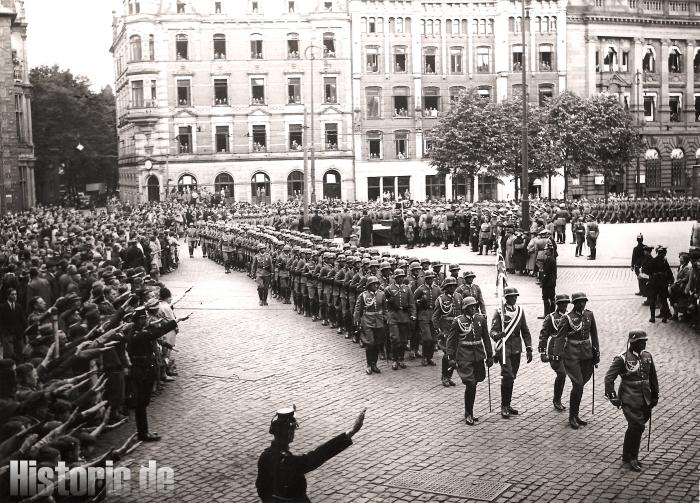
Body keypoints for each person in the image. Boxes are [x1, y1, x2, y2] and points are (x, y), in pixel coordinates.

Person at [256, 407, 366, 502]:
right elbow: (316, 456)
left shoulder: (264, 456)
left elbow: (261, 488)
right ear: (289, 433)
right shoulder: (287, 460)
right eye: (293, 429)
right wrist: (351, 432)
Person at [604, 330, 658, 472]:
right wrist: (612, 396)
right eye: (641, 341)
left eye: (645, 341)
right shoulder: (622, 359)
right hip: (629, 398)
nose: (644, 344)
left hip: (645, 398)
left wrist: (655, 395)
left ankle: (626, 454)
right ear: (633, 343)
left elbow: (653, 377)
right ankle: (633, 457)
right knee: (638, 426)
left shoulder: (647, 356)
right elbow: (609, 377)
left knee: (634, 427)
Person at [554, 291, 600, 429]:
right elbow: (560, 337)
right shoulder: (567, 318)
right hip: (572, 355)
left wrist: (596, 352)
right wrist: (557, 355)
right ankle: (572, 416)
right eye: (579, 302)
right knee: (578, 384)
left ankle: (576, 414)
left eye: (584, 301)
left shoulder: (589, 315)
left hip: (586, 354)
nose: (582, 304)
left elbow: (594, 334)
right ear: (573, 303)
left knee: (583, 382)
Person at [446, 296, 493, 425]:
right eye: (470, 307)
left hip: (478, 355)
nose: (473, 308)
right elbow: (451, 340)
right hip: (464, 356)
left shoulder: (480, 319)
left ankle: (470, 411)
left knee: (476, 381)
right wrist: (450, 357)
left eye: (474, 306)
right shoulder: (458, 321)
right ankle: (468, 413)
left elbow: (486, 338)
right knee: (470, 383)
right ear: (465, 308)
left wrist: (490, 355)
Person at [490, 286, 532, 419]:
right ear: (506, 298)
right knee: (507, 375)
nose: (514, 298)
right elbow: (492, 331)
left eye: (516, 296)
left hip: (516, 348)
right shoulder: (499, 312)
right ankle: (503, 406)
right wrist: (498, 335)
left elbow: (525, 331)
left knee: (512, 376)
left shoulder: (519, 311)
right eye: (512, 296)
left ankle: (508, 404)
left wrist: (529, 347)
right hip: (504, 348)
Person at [538, 294, 570, 412]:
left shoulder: (570, 316)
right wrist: (542, 352)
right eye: (562, 303)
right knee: (561, 373)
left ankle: (559, 398)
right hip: (555, 348)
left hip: (568, 349)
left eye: (566, 303)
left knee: (566, 375)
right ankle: (557, 400)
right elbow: (543, 335)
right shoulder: (551, 317)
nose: (564, 305)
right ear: (557, 304)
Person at [353, 276, 386, 374]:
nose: (375, 286)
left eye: (377, 284)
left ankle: (374, 364)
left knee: (377, 343)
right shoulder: (363, 295)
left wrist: (385, 317)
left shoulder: (382, 294)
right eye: (373, 284)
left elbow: (385, 308)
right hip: (367, 322)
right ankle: (368, 364)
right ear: (369, 285)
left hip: (379, 322)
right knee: (370, 343)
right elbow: (358, 309)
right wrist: (357, 321)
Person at [384, 268, 416, 370]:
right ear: (395, 278)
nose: (401, 279)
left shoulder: (407, 289)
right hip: (393, 316)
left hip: (404, 317)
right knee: (395, 339)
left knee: (403, 340)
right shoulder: (389, 289)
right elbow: (384, 304)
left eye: (402, 277)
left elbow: (412, 303)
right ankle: (394, 359)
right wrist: (390, 302)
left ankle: (401, 359)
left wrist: (413, 314)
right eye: (399, 277)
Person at [433, 277, 461, 387]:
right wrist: (439, 331)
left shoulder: (459, 297)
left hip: (457, 331)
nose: (452, 288)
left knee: (455, 355)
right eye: (450, 286)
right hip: (446, 331)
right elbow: (435, 317)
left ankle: (449, 376)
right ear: (446, 287)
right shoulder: (441, 299)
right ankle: (444, 376)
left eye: (454, 285)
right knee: (447, 355)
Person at [413, 270, 440, 366]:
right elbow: (413, 300)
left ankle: (430, 357)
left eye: (431, 278)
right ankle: (424, 357)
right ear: (425, 279)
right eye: (428, 278)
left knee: (433, 339)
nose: (430, 280)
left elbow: (441, 300)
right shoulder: (421, 289)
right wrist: (420, 301)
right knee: (427, 338)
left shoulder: (437, 288)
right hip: (423, 315)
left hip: (434, 316)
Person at [644, 245, 673, 323]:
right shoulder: (664, 261)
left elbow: (646, 270)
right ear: (664, 253)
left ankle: (652, 317)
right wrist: (670, 280)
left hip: (654, 282)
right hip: (663, 282)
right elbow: (669, 272)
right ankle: (664, 317)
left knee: (652, 300)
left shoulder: (653, 260)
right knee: (663, 299)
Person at [539, 242, 557, 319]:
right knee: (552, 298)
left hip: (548, 283)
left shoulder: (548, 260)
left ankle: (547, 314)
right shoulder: (552, 259)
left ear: (549, 250)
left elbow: (545, 273)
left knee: (546, 299)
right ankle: (552, 313)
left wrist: (542, 282)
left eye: (546, 250)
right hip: (551, 282)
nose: (545, 251)